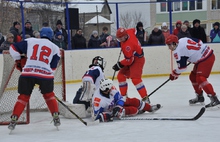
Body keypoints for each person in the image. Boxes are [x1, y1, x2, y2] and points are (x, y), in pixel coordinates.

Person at [8, 27, 61, 131]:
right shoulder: (55, 47)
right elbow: (53, 67)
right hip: (45, 75)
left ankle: (14, 118)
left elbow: (13, 48)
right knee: (49, 95)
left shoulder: (30, 40)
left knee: (23, 97)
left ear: (40, 34)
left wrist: (19, 60)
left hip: (28, 73)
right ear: (51, 36)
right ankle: (55, 116)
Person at [165, 35, 220, 108]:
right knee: (193, 77)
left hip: (206, 58)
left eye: (169, 45)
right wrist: (195, 53)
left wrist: (174, 74)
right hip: (204, 55)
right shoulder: (183, 39)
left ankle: (214, 98)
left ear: (174, 43)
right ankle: (199, 96)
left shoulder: (177, 52)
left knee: (200, 78)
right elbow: (199, 41)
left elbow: (182, 68)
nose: (169, 47)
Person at [92, 79, 161, 122]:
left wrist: (118, 106)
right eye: (109, 88)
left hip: (115, 105)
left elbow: (120, 98)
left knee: (133, 101)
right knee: (133, 110)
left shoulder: (110, 89)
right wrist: (109, 115)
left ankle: (149, 108)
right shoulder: (99, 101)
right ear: (106, 89)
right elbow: (96, 116)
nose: (112, 88)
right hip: (111, 111)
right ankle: (138, 111)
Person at [112, 27, 150, 103]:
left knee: (136, 79)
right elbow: (134, 30)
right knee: (121, 76)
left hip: (138, 60)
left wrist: (119, 64)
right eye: (118, 38)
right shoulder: (129, 31)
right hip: (133, 57)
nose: (119, 40)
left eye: (120, 38)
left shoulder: (128, 47)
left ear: (125, 36)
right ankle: (124, 98)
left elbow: (129, 61)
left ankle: (146, 100)